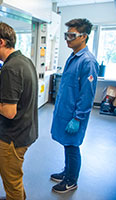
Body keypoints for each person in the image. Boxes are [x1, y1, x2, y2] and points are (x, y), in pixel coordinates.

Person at [0, 22, 38, 200]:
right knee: (15, 178)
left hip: (13, 137)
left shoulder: (9, 69)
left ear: (1, 42)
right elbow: (20, 96)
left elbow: (9, 112)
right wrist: (1, 94)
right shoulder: (23, 61)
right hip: (26, 131)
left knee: (12, 181)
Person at [50, 18, 99, 193]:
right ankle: (67, 171)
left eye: (72, 35)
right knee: (66, 144)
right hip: (65, 112)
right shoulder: (73, 57)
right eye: (66, 35)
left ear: (84, 37)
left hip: (74, 115)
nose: (67, 39)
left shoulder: (88, 61)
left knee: (72, 147)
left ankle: (71, 181)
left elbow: (87, 95)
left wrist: (78, 117)